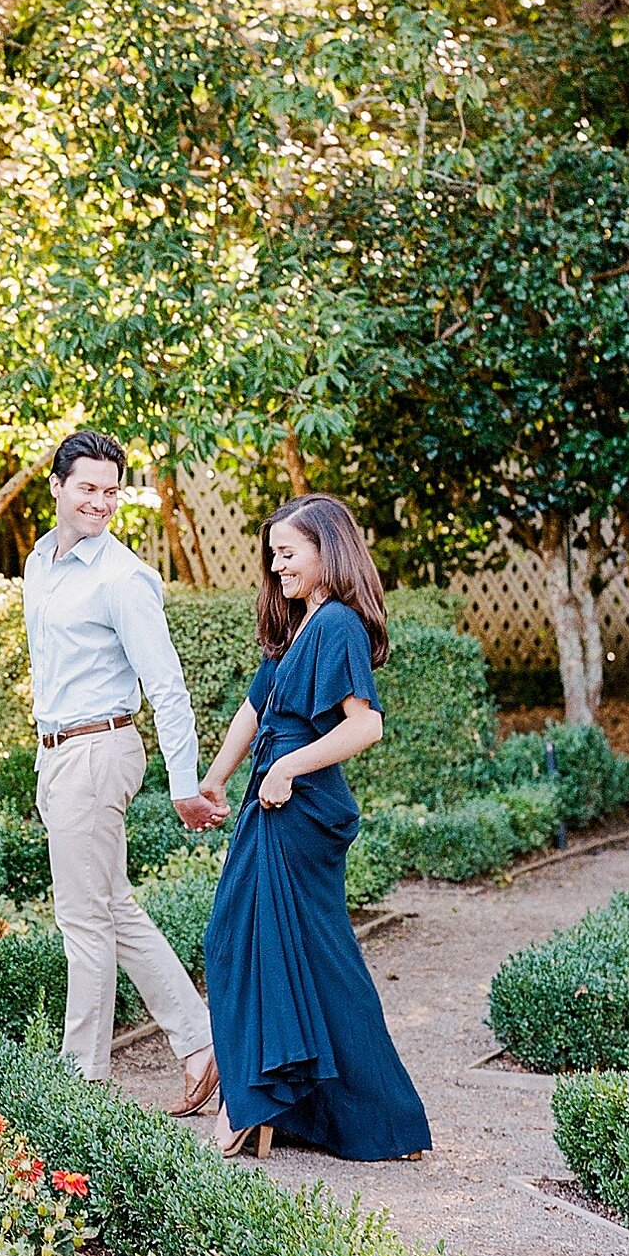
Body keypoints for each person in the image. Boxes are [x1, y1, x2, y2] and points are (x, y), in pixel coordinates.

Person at [200, 493, 432, 1162]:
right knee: (259, 947)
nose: (276, 567)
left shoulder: (338, 626)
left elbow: (366, 723)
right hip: (270, 805)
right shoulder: (300, 625)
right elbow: (255, 708)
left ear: (327, 550)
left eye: (288, 553)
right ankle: (285, 1103)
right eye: (272, 555)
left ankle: (261, 1105)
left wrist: (292, 767)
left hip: (300, 810)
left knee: (284, 951)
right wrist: (214, 779)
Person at [23, 429, 226, 1104]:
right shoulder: (38, 565)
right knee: (113, 909)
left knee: (84, 922)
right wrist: (44, 754)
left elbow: (166, 686)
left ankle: (80, 1081)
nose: (101, 502)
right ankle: (200, 1041)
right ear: (56, 485)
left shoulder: (124, 578)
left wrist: (182, 782)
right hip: (59, 754)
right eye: (88, 487)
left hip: (100, 750)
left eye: (111, 491)